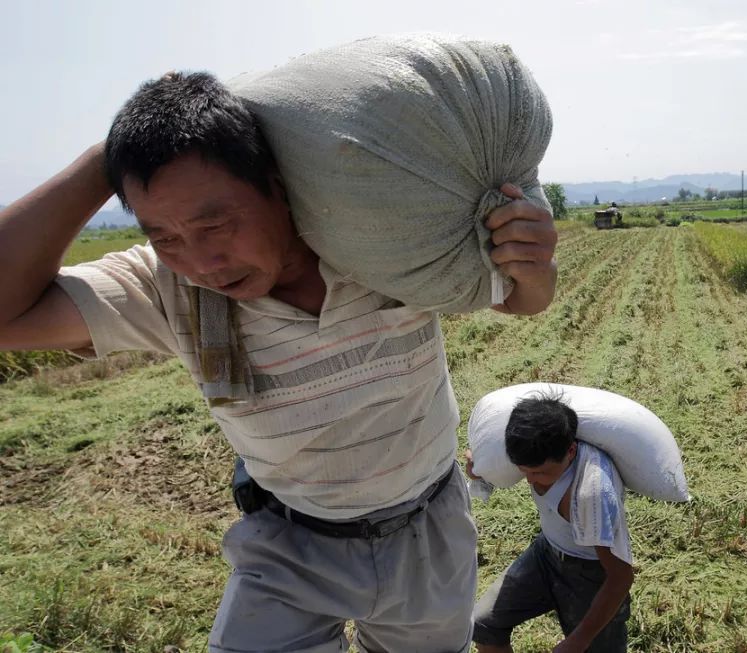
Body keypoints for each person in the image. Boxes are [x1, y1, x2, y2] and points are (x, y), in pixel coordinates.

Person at [0, 72, 557, 653]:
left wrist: (533, 265)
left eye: (216, 225)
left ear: (278, 183)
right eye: (164, 236)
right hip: (291, 545)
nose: (203, 262)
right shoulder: (166, 290)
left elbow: (520, 300)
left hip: (429, 535)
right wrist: (110, 154)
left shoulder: (380, 244)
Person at [466, 393, 634, 653]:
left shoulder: (591, 493)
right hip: (546, 554)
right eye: (525, 471)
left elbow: (621, 576)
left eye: (541, 473)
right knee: (484, 623)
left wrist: (579, 640)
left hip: (591, 573)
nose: (531, 481)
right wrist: (479, 472)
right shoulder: (528, 450)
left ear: (570, 450)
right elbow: (494, 469)